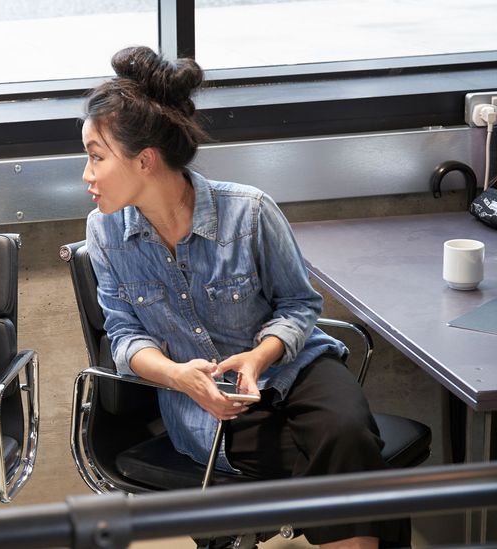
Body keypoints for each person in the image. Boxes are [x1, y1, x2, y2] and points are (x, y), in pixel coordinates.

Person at [81, 46, 408, 548]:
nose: (87, 174)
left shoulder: (249, 211)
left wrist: (258, 356)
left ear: (144, 160)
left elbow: (299, 306)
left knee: (345, 435)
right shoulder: (105, 233)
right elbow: (124, 336)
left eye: (96, 156)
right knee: (348, 461)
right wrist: (178, 377)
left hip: (297, 368)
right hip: (208, 399)